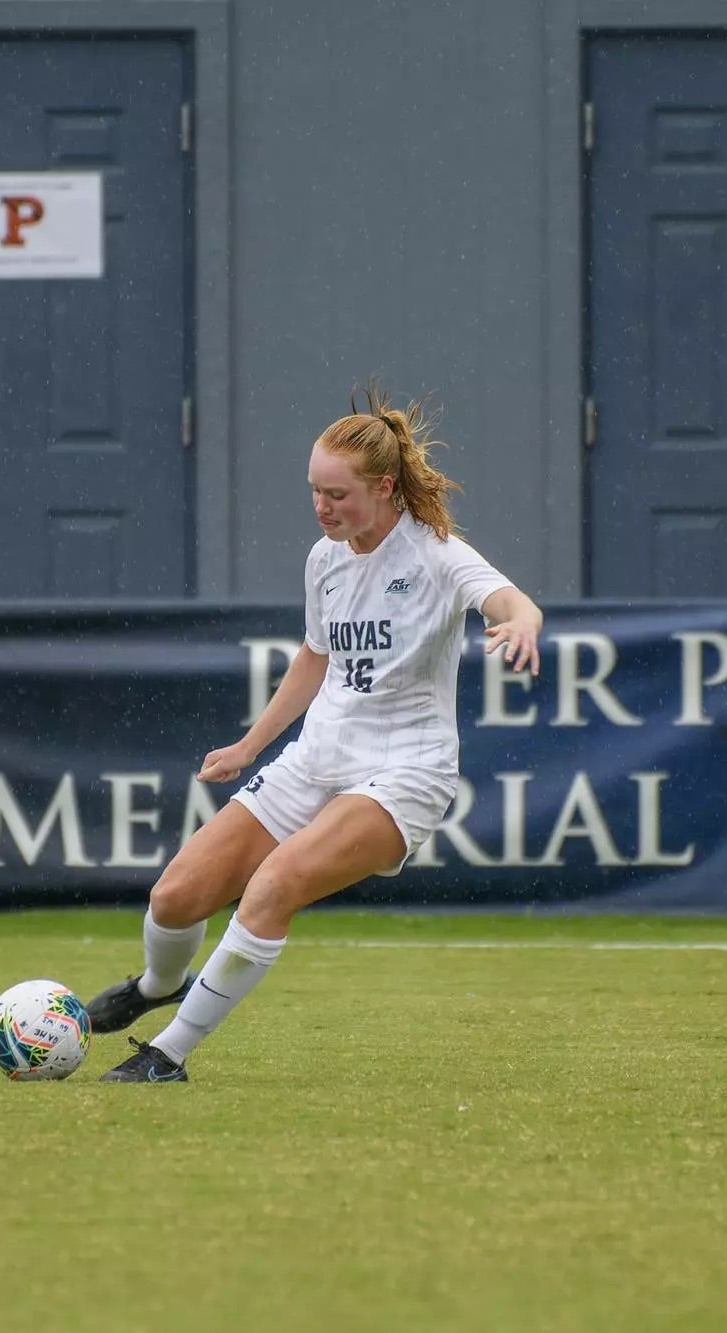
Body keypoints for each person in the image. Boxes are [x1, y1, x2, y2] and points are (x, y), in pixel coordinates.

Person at [85, 385, 543, 1083]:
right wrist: (249, 746)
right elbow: (315, 656)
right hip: (316, 760)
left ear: (385, 487)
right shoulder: (324, 559)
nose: (322, 507)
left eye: (337, 493)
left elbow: (512, 601)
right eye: (314, 491)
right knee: (175, 896)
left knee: (275, 884)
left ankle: (167, 1054)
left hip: (405, 774)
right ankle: (156, 985)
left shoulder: (436, 555)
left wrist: (521, 624)